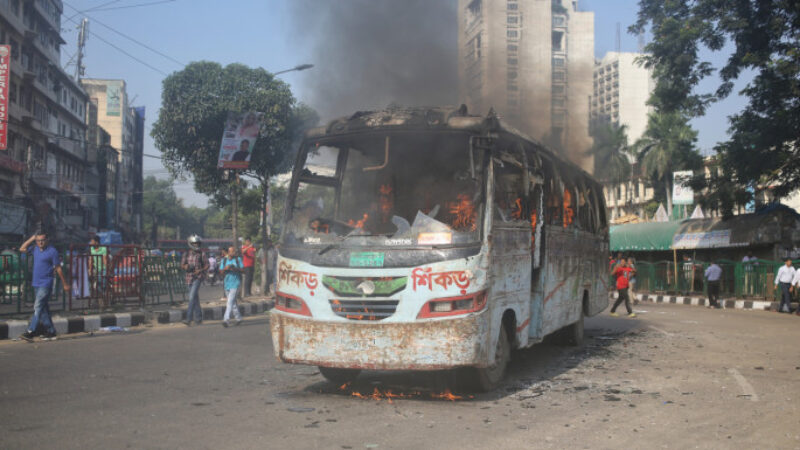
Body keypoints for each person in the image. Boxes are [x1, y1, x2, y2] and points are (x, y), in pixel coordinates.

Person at [18, 232, 69, 341]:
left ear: (47, 240)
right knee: (43, 308)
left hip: (46, 283)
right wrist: (32, 238)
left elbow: (58, 268)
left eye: (42, 240)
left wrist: (65, 284)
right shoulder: (35, 249)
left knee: (38, 306)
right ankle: (51, 331)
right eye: (38, 240)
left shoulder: (52, 251)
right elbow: (21, 249)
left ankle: (31, 331)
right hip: (36, 283)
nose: (40, 242)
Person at [181, 235, 208, 325]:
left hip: (198, 277)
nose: (196, 245)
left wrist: (200, 270)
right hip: (189, 278)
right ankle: (199, 317)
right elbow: (182, 265)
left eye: (198, 243)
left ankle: (188, 318)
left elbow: (207, 265)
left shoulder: (202, 254)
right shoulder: (186, 254)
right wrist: (186, 267)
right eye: (195, 244)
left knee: (191, 297)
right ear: (191, 244)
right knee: (195, 299)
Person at [220, 246, 244, 327]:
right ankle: (238, 318)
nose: (233, 253)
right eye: (232, 251)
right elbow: (221, 272)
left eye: (234, 251)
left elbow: (243, 270)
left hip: (236, 283)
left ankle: (226, 320)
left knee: (229, 302)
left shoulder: (238, 260)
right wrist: (225, 269)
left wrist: (234, 268)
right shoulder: (224, 260)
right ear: (228, 252)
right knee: (233, 303)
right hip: (227, 284)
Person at [88, 235, 108, 308]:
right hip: (95, 269)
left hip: (103, 269)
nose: (90, 242)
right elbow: (90, 260)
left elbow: (105, 260)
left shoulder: (103, 248)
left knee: (100, 284)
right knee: (91, 284)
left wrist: (107, 269)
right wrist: (90, 271)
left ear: (96, 242)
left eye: (92, 241)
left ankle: (102, 301)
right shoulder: (91, 249)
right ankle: (95, 301)